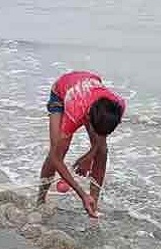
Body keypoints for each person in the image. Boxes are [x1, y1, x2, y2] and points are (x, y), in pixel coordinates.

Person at [37, 71, 125, 217]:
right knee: (58, 150)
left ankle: (93, 204)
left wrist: (90, 155)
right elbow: (55, 158)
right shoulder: (75, 111)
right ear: (88, 119)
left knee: (102, 150)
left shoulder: (118, 105)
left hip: (89, 86)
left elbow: (101, 136)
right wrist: (81, 193)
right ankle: (40, 201)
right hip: (61, 93)